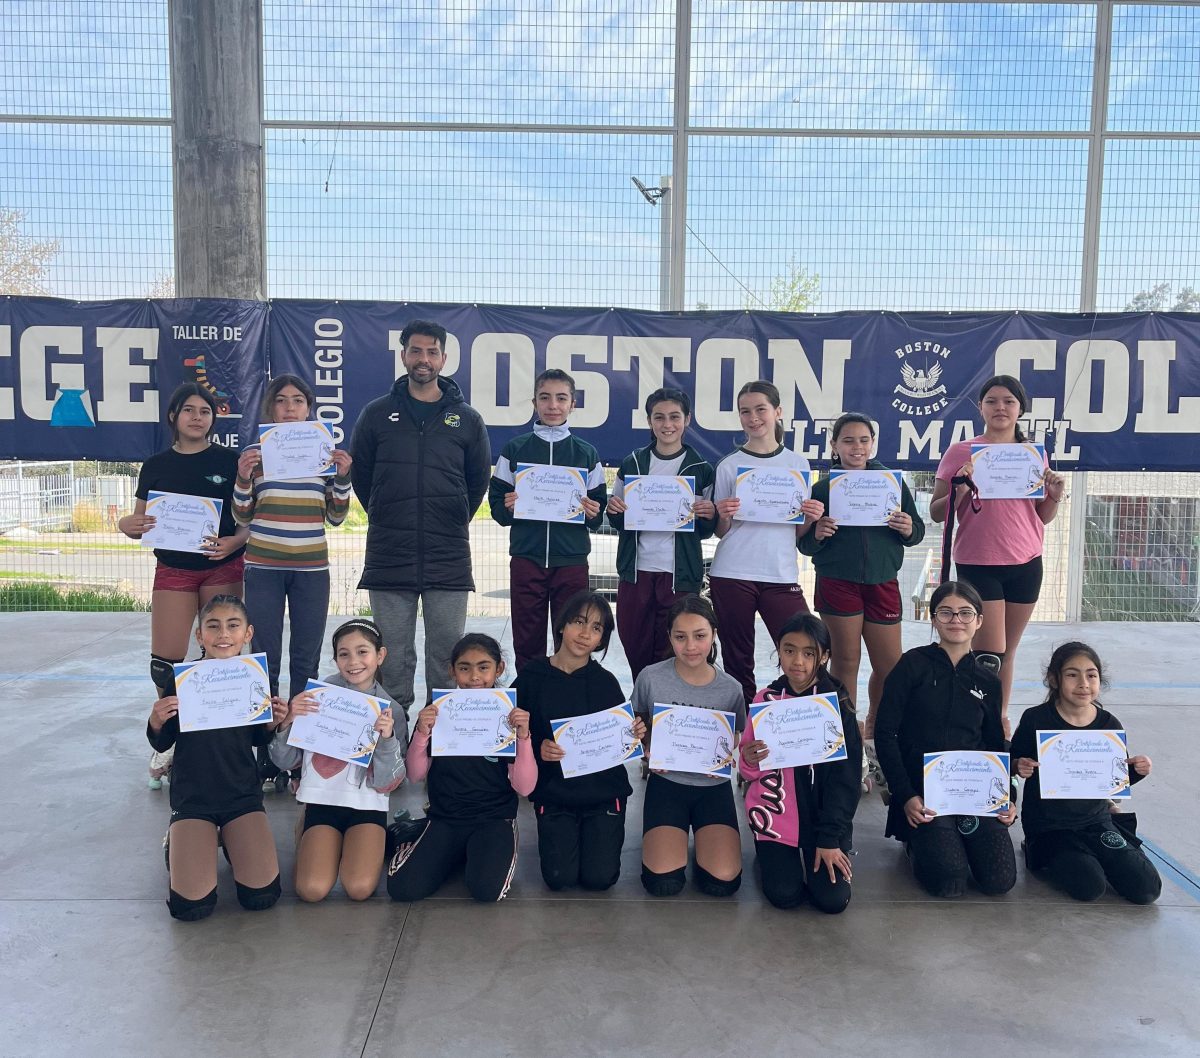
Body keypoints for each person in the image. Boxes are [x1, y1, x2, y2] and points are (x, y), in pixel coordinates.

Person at [349, 319, 491, 718]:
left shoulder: (467, 419)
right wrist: (383, 511)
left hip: (448, 555)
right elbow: (363, 477)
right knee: (391, 662)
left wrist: (452, 516)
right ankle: (394, 746)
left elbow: (478, 481)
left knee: (448, 660)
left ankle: (440, 749)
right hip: (389, 554)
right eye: (416, 351)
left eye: (432, 352)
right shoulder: (376, 414)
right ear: (403, 356)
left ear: (444, 358)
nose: (423, 359)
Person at [119, 382, 249, 789]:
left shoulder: (230, 462)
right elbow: (138, 520)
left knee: (224, 655)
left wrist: (236, 540)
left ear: (213, 419)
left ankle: (231, 738)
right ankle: (169, 742)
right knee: (166, 664)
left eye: (205, 411)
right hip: (174, 569)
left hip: (222, 566)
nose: (198, 417)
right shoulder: (155, 464)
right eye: (189, 409)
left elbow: (249, 516)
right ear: (173, 416)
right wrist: (125, 524)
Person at [233, 374, 353, 789]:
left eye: (298, 401)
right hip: (263, 567)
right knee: (265, 660)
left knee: (305, 660)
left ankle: (298, 749)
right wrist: (243, 479)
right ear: (271, 408)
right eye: (281, 400)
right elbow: (242, 518)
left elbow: (336, 518)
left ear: (309, 408)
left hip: (311, 571)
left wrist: (341, 477)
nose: (289, 407)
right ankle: (267, 749)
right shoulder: (255, 453)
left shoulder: (323, 454)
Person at [931, 374, 1065, 737]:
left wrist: (1053, 493)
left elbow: (1042, 517)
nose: (1000, 407)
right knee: (990, 653)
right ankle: (980, 722)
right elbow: (937, 512)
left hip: (1026, 563)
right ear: (981, 407)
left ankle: (998, 719)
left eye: (1008, 401)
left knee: (1009, 651)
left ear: (1020, 408)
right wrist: (959, 485)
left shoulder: (1033, 454)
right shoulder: (962, 452)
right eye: (992, 400)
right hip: (979, 561)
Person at [873, 580, 1018, 899]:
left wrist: (1008, 796)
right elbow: (885, 734)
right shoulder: (912, 665)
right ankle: (916, 842)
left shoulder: (987, 681)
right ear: (933, 618)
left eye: (966, 613)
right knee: (949, 881)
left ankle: (957, 836)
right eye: (947, 612)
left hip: (974, 793)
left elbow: (995, 745)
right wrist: (906, 795)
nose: (957, 620)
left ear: (979, 620)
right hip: (922, 794)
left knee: (999, 881)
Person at [146, 595, 286, 921]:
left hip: (240, 794)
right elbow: (164, 739)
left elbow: (256, 739)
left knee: (261, 896)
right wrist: (156, 720)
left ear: (247, 634)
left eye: (232, 625)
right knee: (192, 908)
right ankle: (179, 840)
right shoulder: (182, 681)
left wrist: (273, 723)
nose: (224, 633)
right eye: (214, 626)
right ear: (199, 636)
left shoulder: (253, 678)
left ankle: (233, 841)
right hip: (194, 796)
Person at [799, 412, 925, 737]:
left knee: (890, 667)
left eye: (864, 440)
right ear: (834, 445)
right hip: (837, 582)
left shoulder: (892, 483)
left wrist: (909, 528)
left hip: (882, 581)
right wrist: (818, 533)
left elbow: (917, 531)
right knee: (845, 661)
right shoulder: (823, 488)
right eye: (848, 440)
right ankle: (846, 736)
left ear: (872, 444)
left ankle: (876, 729)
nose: (857, 447)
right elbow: (806, 547)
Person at [386, 633, 535, 903]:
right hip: (446, 817)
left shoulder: (510, 716)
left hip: (494, 819)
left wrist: (524, 738)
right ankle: (411, 833)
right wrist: (421, 733)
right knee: (403, 888)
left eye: (483, 667)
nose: (474, 676)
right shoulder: (439, 711)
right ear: (452, 670)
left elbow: (525, 787)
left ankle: (468, 853)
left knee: (488, 891)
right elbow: (416, 774)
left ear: (499, 669)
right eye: (464, 668)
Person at [1011, 642, 1160, 904]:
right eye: (1072, 674)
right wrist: (1018, 765)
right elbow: (1014, 760)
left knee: (1146, 888)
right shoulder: (1036, 719)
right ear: (1053, 680)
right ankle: (1038, 849)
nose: (1083, 683)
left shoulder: (1108, 724)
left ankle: (1103, 849)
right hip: (1049, 826)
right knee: (1089, 886)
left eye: (1091, 675)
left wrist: (1137, 770)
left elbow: (1113, 781)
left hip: (1095, 820)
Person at [269, 619, 407, 902]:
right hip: (322, 804)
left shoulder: (391, 710)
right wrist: (286, 724)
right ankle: (308, 827)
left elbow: (387, 783)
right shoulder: (316, 697)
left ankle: (372, 842)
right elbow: (285, 761)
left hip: (366, 807)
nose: (353, 661)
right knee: (311, 890)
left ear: (380, 655)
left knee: (358, 889)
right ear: (335, 659)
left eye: (362, 652)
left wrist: (387, 739)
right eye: (344, 653)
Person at [517, 591, 646, 891]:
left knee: (600, 878)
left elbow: (619, 741)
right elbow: (510, 731)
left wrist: (634, 734)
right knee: (559, 878)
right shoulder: (531, 677)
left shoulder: (606, 683)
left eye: (597, 628)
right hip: (554, 792)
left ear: (602, 640)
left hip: (602, 794)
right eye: (579, 622)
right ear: (562, 625)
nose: (586, 634)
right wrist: (536, 749)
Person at [708, 380, 824, 705]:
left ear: (778, 412)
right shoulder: (729, 466)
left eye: (760, 409)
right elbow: (721, 531)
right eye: (745, 411)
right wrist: (725, 514)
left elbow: (797, 534)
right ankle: (744, 734)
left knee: (802, 648)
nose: (753, 417)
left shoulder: (798, 464)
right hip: (732, 573)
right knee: (738, 660)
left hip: (781, 574)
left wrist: (811, 518)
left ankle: (792, 724)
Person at [739, 614, 862, 913]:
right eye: (789, 650)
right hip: (777, 817)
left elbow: (846, 779)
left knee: (832, 901)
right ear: (778, 650)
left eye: (809, 653)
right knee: (784, 895)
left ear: (825, 656)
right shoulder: (765, 699)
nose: (798, 661)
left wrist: (831, 838)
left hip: (825, 822)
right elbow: (747, 768)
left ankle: (820, 847)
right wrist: (749, 759)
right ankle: (767, 853)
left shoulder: (837, 704)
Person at [488, 368, 606, 671]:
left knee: (572, 635)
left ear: (573, 404)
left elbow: (598, 512)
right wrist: (508, 507)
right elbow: (497, 508)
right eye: (545, 397)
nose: (553, 405)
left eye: (561, 398)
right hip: (527, 557)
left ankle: (569, 701)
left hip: (571, 560)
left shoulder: (586, 453)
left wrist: (593, 512)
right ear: (534, 403)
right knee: (527, 637)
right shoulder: (515, 450)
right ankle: (530, 696)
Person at [634, 596, 746, 898]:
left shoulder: (732, 689)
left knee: (723, 882)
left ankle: (704, 846)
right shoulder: (651, 678)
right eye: (680, 637)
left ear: (714, 635)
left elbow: (738, 736)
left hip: (712, 787)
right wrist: (644, 746)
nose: (691, 646)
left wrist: (727, 752)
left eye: (700, 636)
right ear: (669, 636)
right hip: (667, 783)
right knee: (663, 882)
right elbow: (637, 722)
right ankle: (676, 841)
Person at [606, 387, 717, 682]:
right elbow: (618, 518)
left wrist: (709, 514)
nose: (667, 425)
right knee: (634, 642)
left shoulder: (702, 468)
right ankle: (643, 704)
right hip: (636, 572)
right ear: (649, 421)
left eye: (674, 417)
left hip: (679, 575)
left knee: (675, 647)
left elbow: (706, 529)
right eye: (659, 417)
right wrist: (614, 510)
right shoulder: (633, 462)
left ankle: (670, 712)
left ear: (687, 420)